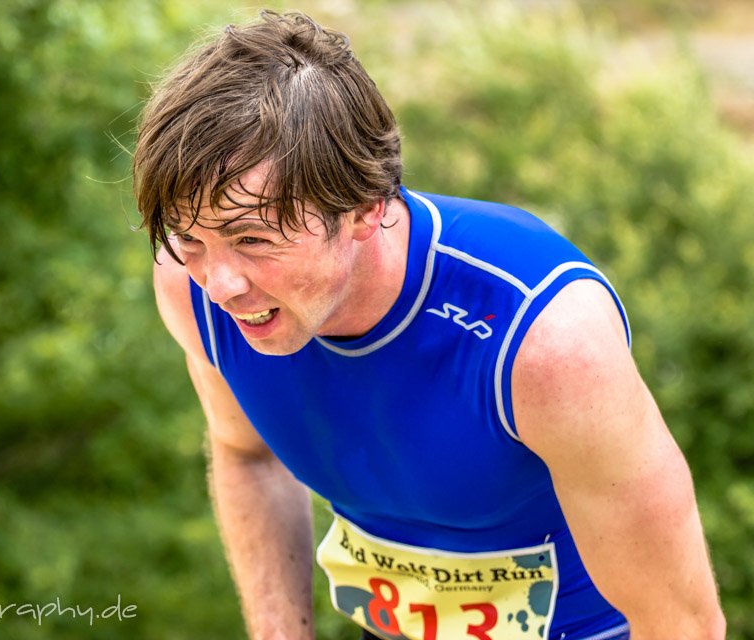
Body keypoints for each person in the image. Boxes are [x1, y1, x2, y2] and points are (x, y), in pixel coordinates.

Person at [132, 9, 725, 640]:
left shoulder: (544, 340)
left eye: (252, 238)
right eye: (189, 238)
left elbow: (683, 622)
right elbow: (247, 456)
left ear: (364, 207)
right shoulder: (190, 290)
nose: (220, 284)